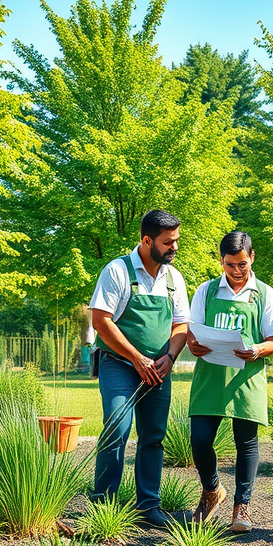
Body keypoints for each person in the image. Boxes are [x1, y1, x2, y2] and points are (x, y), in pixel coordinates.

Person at [89, 210, 189, 528]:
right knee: (117, 428)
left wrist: (170, 357)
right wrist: (135, 357)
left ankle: (149, 505)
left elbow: (181, 324)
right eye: (168, 242)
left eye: (176, 240)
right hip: (119, 364)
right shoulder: (117, 271)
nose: (174, 247)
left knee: (153, 436)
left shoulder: (173, 278)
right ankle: (103, 504)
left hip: (158, 369)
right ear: (147, 241)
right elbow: (100, 321)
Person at [186, 232, 273, 533]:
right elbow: (191, 330)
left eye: (242, 264)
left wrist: (257, 350)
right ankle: (212, 489)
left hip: (247, 376)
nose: (237, 271)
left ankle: (242, 507)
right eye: (230, 265)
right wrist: (193, 344)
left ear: (252, 258)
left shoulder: (264, 294)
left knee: (247, 443)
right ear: (221, 261)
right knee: (200, 439)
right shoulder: (207, 291)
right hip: (210, 375)